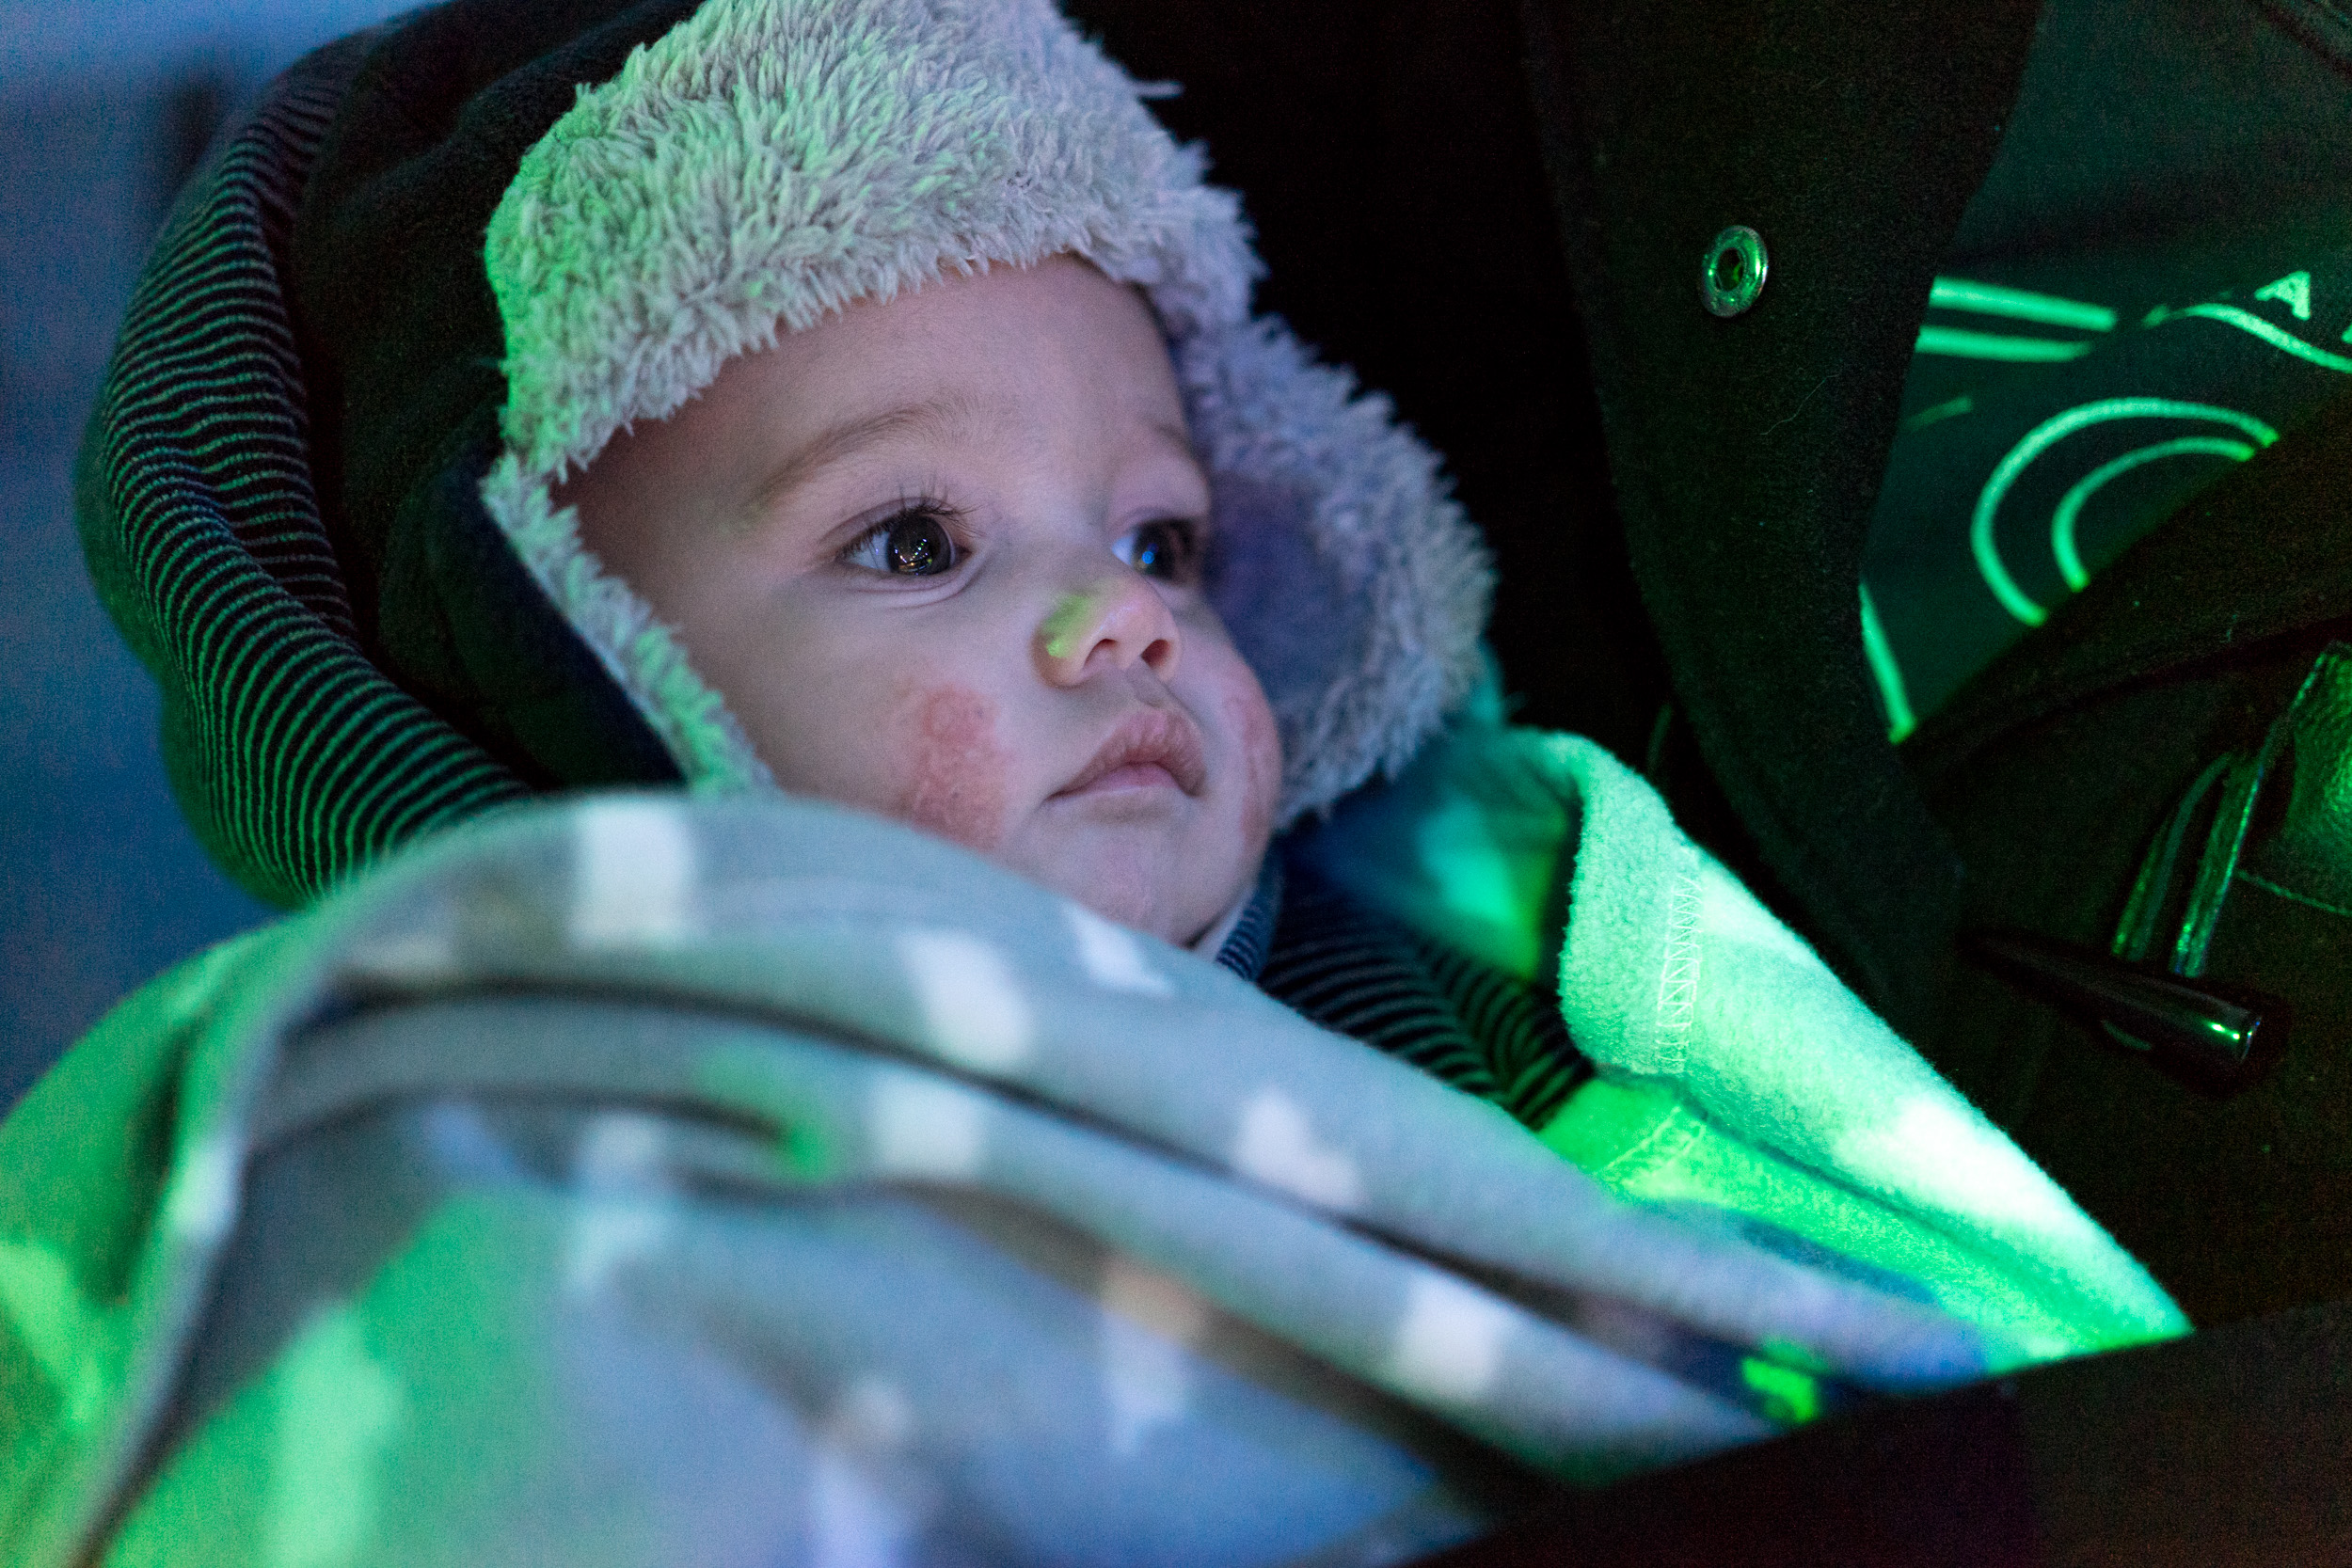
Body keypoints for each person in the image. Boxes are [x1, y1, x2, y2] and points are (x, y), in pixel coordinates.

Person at [7, 0, 2201, 1560]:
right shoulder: (496, 1131)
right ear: (547, 670)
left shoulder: (1488, 980)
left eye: (1158, 538)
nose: (1122, 620)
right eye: (913, 542)